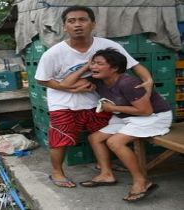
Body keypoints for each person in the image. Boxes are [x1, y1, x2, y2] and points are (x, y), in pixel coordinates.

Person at [34, 5, 153, 188]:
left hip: (96, 100)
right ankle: (57, 172)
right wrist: (70, 89)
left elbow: (134, 65)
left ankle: (104, 166)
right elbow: (42, 80)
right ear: (64, 27)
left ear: (93, 24)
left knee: (101, 133)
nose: (77, 25)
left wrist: (148, 79)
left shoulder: (107, 46)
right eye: (71, 21)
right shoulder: (54, 53)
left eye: (83, 20)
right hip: (63, 103)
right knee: (60, 137)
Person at [61, 48, 172, 201]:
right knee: (95, 138)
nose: (94, 67)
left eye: (99, 64)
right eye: (93, 63)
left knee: (115, 142)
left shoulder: (128, 83)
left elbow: (145, 111)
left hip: (154, 117)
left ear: (114, 68)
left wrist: (112, 108)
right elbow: (67, 84)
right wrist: (86, 67)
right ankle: (106, 174)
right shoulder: (99, 80)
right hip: (127, 116)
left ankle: (141, 181)